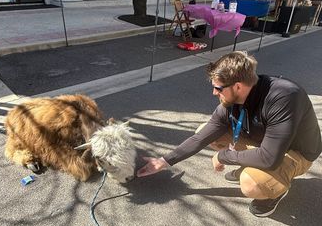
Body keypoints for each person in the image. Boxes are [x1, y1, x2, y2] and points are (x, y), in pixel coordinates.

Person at [137, 51, 322, 217]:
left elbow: (269, 158)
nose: (213, 92)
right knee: (203, 130)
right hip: (264, 142)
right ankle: (248, 164)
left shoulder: (284, 97)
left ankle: (275, 191)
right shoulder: (233, 99)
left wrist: (224, 156)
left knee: (251, 182)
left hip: (295, 152)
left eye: (218, 88)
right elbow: (201, 137)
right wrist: (163, 161)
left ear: (238, 86)